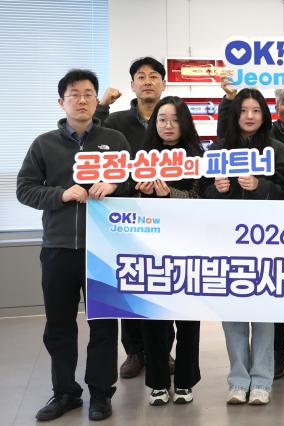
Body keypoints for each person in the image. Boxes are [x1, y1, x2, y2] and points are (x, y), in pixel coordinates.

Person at [17, 69, 130, 421]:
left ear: (97, 100)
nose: (82, 100)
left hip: (104, 250)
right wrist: (60, 194)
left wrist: (115, 186)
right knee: (59, 326)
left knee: (104, 325)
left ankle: (101, 393)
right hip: (59, 248)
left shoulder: (115, 140)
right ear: (61, 102)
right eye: (74, 94)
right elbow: (25, 189)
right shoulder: (44, 144)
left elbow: (133, 181)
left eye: (88, 94)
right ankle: (65, 392)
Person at [203, 88, 284, 406]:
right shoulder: (218, 149)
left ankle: (263, 380)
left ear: (264, 115)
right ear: (234, 115)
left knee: (264, 313)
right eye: (243, 110)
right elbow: (202, 194)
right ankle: (238, 381)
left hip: (266, 242)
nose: (250, 116)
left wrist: (260, 185)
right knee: (233, 314)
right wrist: (217, 189)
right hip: (228, 243)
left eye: (256, 110)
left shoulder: (277, 149)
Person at [95, 56, 171, 378]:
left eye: (154, 76)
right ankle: (135, 352)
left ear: (164, 83)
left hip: (164, 214)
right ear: (132, 85)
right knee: (129, 282)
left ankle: (162, 352)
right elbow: (91, 138)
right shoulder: (116, 121)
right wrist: (102, 105)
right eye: (141, 76)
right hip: (124, 213)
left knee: (163, 283)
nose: (147, 81)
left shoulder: (172, 117)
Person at [137, 96, 203, 406]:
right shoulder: (142, 157)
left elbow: (201, 199)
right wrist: (139, 191)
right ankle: (158, 382)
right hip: (149, 247)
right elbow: (124, 197)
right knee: (153, 319)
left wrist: (169, 193)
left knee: (188, 318)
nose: (168, 125)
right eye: (162, 119)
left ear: (185, 123)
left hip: (188, 246)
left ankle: (186, 381)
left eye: (175, 119)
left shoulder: (197, 156)